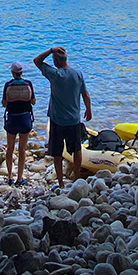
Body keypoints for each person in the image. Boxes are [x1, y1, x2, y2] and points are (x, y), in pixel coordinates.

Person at [33, 46, 92, 189]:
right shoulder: (77, 74)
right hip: (73, 120)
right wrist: (88, 109)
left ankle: (60, 182)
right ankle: (76, 178)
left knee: (57, 152)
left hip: (57, 120)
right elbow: (85, 94)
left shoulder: (55, 75)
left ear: (55, 61)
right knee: (76, 149)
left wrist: (50, 50)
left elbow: (37, 61)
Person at [1, 62, 36, 186]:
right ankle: (20, 178)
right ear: (22, 73)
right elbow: (33, 102)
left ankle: (10, 177)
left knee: (10, 148)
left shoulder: (8, 85)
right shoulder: (28, 84)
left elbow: (4, 103)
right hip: (25, 120)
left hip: (12, 120)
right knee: (22, 149)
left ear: (12, 73)